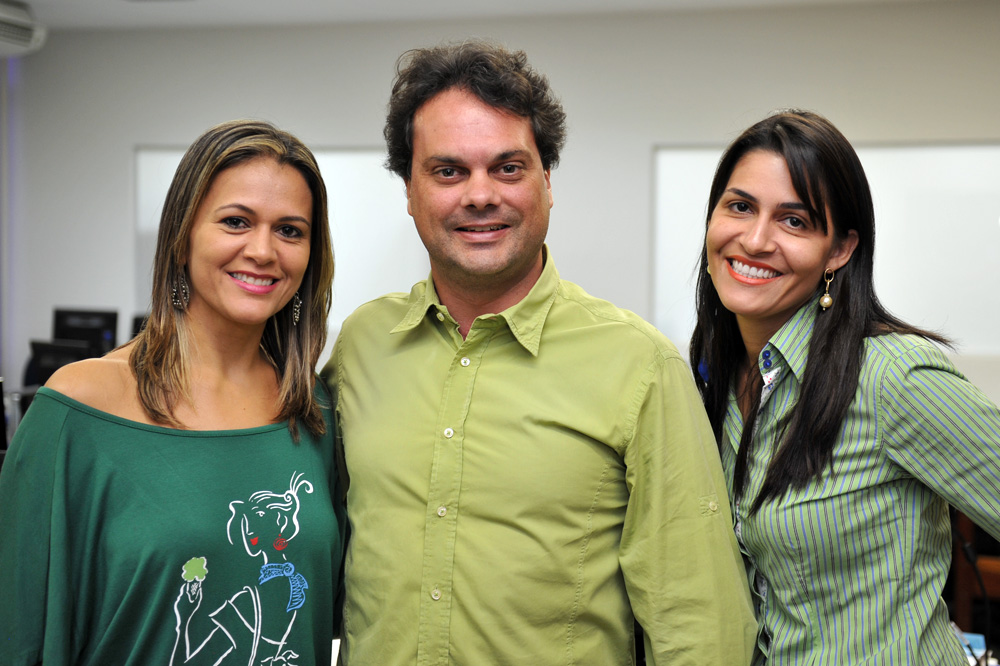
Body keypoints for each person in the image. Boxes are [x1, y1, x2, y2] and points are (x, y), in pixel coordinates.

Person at [323, 40, 756, 665]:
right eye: (448, 171)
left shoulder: (639, 366)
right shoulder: (363, 345)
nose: (480, 194)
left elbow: (700, 625)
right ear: (410, 191)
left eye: (508, 168)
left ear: (547, 183)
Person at [0, 119, 344, 666]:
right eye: (236, 221)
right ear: (182, 237)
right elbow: (18, 632)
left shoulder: (314, 412)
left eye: (290, 230)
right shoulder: (79, 410)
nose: (263, 250)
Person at [689, 109, 1000, 664]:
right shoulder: (715, 380)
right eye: (740, 207)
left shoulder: (893, 377)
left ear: (839, 249)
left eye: (794, 221)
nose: (755, 240)